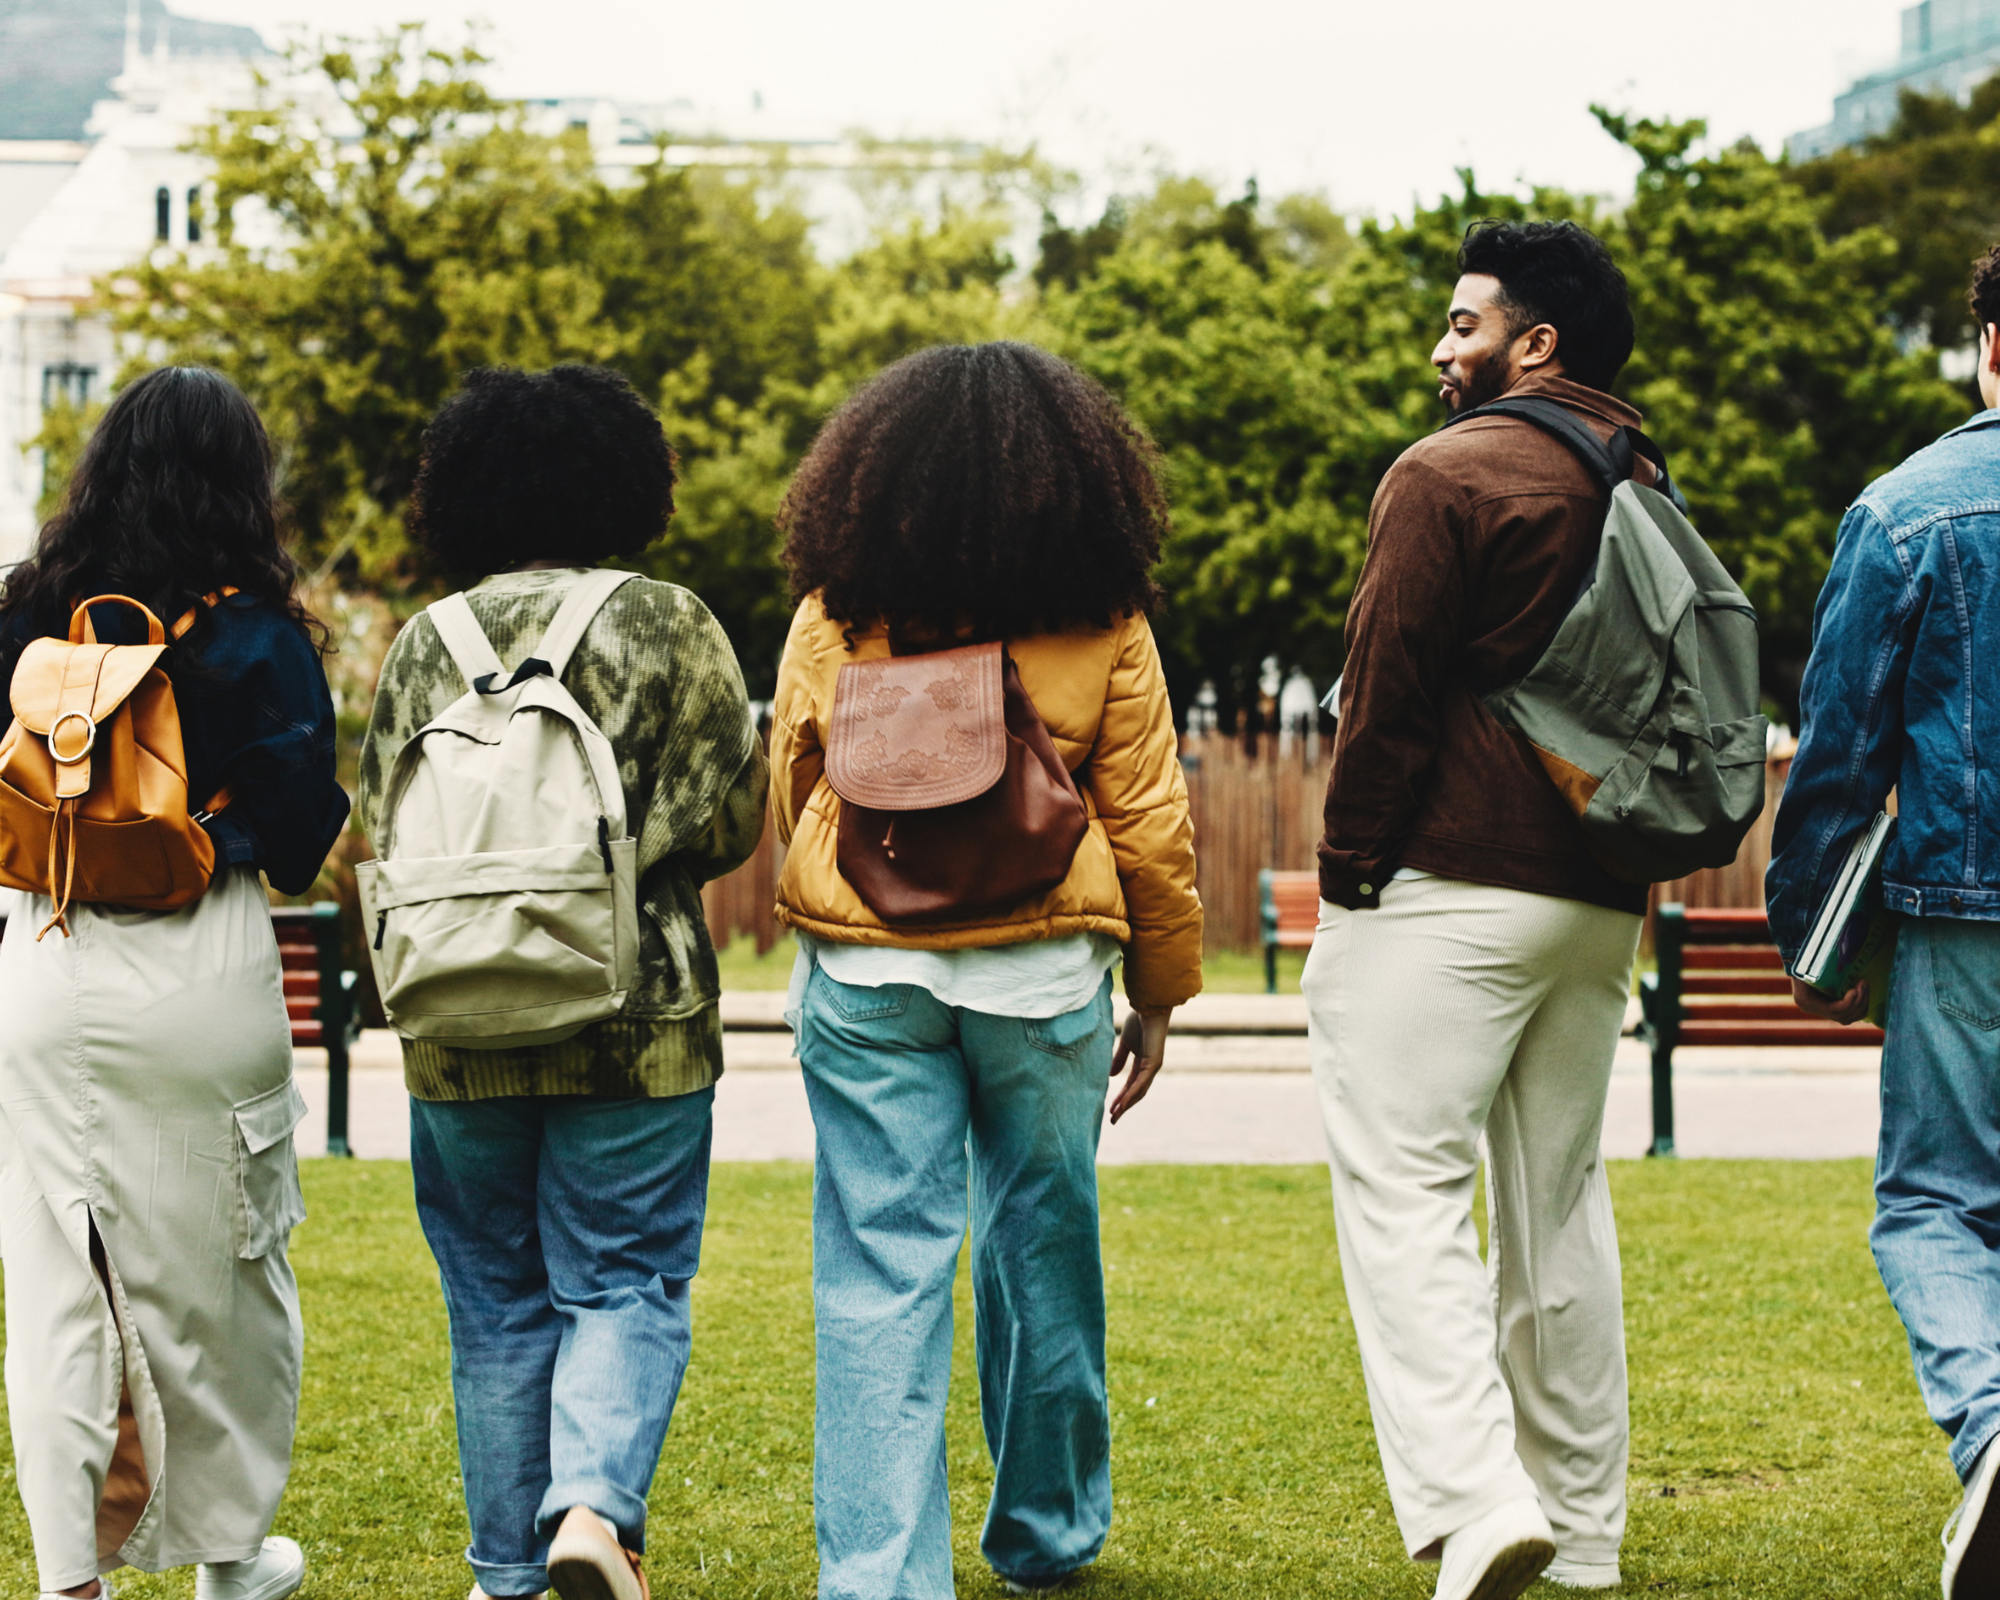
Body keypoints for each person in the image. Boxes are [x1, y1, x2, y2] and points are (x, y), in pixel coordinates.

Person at [769, 341, 1202, 1600]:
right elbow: (1148, 824)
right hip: (1044, 974)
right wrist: (1160, 989)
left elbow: (797, 786)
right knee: (1043, 1243)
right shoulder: (1104, 621)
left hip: (866, 976)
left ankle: (878, 1578)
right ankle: (1046, 1534)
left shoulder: (834, 613)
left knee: (877, 1269)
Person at [356, 364, 767, 1600]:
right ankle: (592, 1510)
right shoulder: (669, 623)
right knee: (624, 1274)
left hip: (457, 1021)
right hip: (633, 1019)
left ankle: (503, 1572)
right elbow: (734, 819)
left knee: (492, 1296)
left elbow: (382, 813)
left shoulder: (433, 641)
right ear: (627, 480)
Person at [1307, 221, 1655, 1600]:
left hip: (1450, 888)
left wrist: (1347, 872)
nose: (1441, 350)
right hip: (1597, 898)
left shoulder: (1443, 475)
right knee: (1557, 1208)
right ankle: (1585, 1536)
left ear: (1536, 343)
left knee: (1404, 1193)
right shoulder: (1637, 471)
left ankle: (1474, 1497)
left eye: (1464, 325)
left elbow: (1383, 695)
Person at [0, 366, 349, 1600]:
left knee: (57, 1283)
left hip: (43, 951)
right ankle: (227, 1557)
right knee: (229, 1265)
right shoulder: (252, 629)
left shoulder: (22, 618)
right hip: (196, 957)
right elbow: (303, 837)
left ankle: (68, 1582)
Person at [1767, 244, 2000, 1600]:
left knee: (1931, 1203)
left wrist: (1815, 934)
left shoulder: (1909, 511)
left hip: (1966, 913)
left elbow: (1840, 756)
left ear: (1989, 340)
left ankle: (1989, 1425)